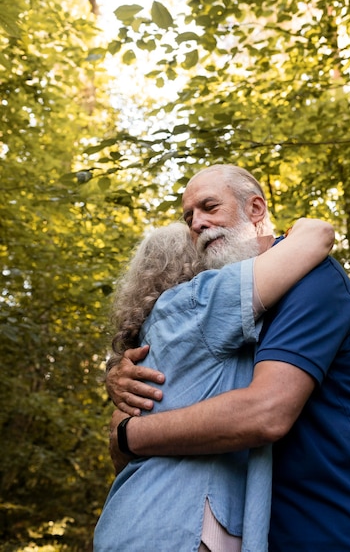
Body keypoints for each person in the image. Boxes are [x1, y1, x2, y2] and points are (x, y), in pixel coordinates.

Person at [106, 165, 350, 552]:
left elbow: (265, 413)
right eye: (189, 217)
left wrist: (128, 435)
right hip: (264, 529)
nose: (197, 224)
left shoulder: (311, 279)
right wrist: (119, 378)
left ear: (255, 209)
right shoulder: (219, 303)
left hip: (341, 522)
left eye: (209, 207)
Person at [94, 217, 334, 552]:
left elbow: (119, 448)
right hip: (181, 525)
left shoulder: (155, 336)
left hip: (135, 520)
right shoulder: (200, 302)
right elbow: (317, 236)